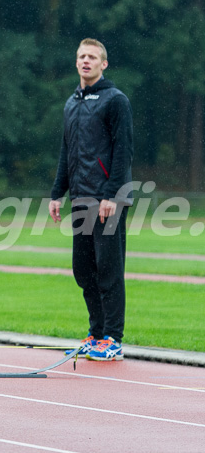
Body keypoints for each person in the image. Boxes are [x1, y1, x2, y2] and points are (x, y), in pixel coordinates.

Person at [49, 38, 134, 361]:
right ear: (76, 62)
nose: (86, 61)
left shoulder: (115, 101)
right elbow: (66, 152)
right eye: (82, 56)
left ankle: (113, 337)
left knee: (109, 269)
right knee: (83, 270)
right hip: (81, 198)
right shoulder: (72, 103)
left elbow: (124, 151)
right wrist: (58, 193)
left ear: (103, 64)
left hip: (108, 199)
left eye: (92, 57)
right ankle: (96, 333)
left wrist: (112, 194)